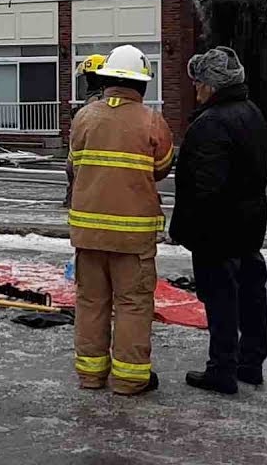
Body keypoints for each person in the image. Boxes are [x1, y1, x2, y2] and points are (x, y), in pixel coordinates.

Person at [67, 45, 173, 395]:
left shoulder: (84, 117)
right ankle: (128, 379)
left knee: (91, 302)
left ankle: (90, 375)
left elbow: (74, 167)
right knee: (132, 304)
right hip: (132, 238)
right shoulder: (152, 121)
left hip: (88, 234)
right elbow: (160, 169)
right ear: (142, 85)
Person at [169, 47, 267, 395]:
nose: (195, 90)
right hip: (249, 224)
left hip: (217, 231)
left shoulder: (211, 123)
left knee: (221, 298)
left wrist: (186, 229)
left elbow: (204, 187)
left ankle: (222, 369)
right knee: (251, 294)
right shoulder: (252, 113)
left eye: (198, 83)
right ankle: (250, 363)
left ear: (211, 86)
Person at [64, 54, 106, 208]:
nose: (89, 83)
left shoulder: (103, 100)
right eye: (88, 78)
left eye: (92, 78)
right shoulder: (94, 99)